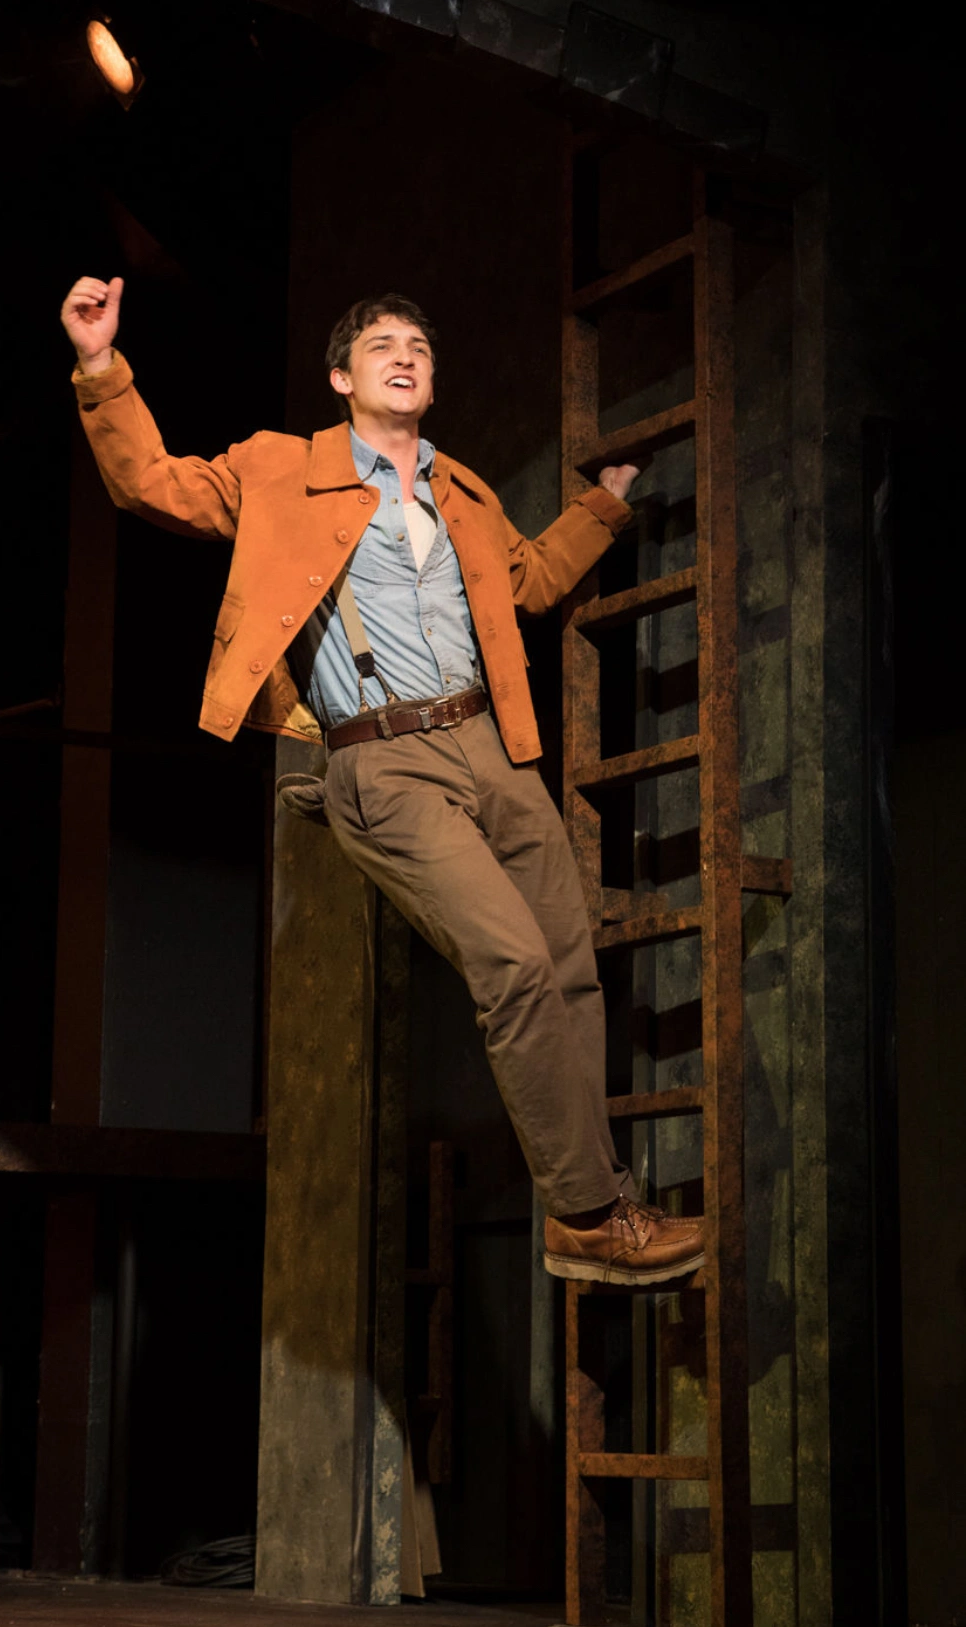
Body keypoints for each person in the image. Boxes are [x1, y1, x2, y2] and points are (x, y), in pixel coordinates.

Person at [60, 275, 704, 1286]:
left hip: (491, 748)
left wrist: (604, 506)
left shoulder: (466, 491)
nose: (405, 357)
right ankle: (586, 1213)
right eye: (381, 347)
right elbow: (150, 483)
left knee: (572, 965)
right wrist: (101, 365)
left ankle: (598, 1196)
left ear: (432, 383)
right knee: (515, 968)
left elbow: (529, 581)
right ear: (340, 377)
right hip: (382, 757)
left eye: (419, 348)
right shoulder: (280, 469)